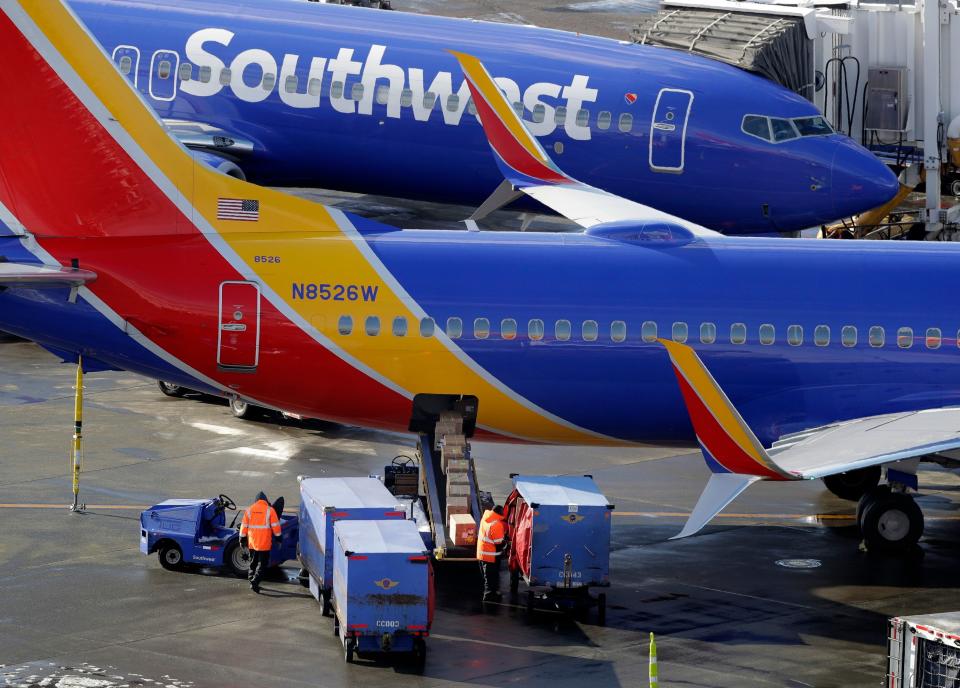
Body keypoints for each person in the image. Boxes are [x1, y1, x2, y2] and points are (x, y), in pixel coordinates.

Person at [239, 491, 281, 593]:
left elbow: (243, 526)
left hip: (253, 542)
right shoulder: (270, 510)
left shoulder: (249, 510)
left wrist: (242, 539)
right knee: (262, 564)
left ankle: (251, 579)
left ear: (256, 500)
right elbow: (276, 527)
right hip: (264, 543)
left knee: (253, 562)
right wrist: (279, 538)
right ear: (266, 500)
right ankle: (255, 581)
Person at [476, 504, 507, 601]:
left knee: (488, 577)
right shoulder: (497, 524)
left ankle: (492, 593)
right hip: (491, 556)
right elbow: (498, 543)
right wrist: (506, 544)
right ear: (500, 513)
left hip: (482, 553)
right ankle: (489, 597)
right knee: (490, 578)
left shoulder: (485, 518)